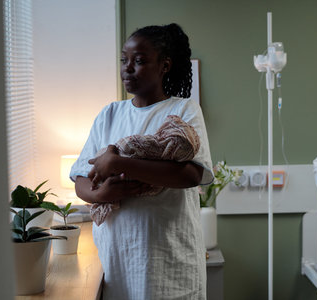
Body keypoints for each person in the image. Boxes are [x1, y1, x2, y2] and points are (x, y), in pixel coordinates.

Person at [70, 23, 214, 300]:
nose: (127, 68)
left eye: (139, 61)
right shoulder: (109, 114)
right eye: (124, 60)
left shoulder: (182, 110)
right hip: (118, 261)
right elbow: (80, 179)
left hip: (169, 262)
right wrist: (101, 193)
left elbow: (192, 175)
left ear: (165, 66)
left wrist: (118, 163)